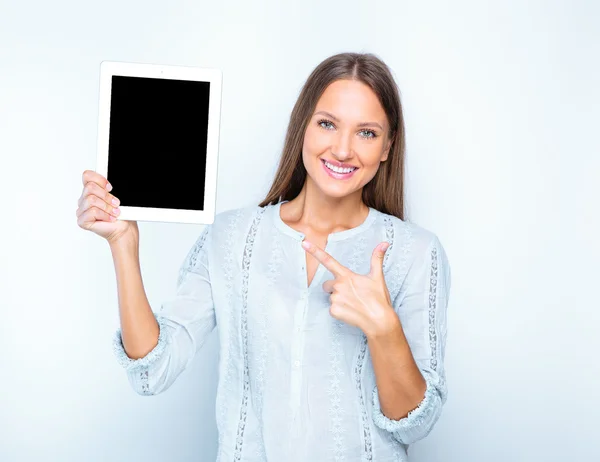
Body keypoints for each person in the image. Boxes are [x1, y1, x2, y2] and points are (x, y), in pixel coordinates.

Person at [76, 52, 451, 462]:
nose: (343, 149)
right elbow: (152, 372)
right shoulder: (231, 237)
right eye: (327, 124)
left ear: (387, 146)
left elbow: (416, 423)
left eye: (366, 132)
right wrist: (123, 245)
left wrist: (384, 330)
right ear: (302, 128)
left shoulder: (416, 252)